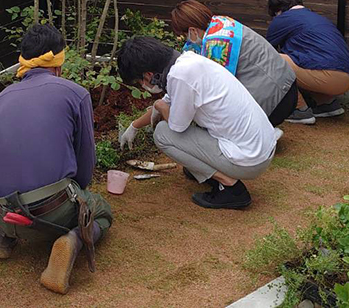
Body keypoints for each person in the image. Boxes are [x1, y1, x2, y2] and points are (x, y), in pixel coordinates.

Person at [0, 24, 113, 295]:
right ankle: (72, 240)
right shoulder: (75, 94)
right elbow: (85, 159)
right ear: (58, 61)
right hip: (47, 213)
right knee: (102, 211)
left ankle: (3, 239)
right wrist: (81, 193)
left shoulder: (0, 99)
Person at [117, 36, 279, 209]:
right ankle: (208, 169)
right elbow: (168, 101)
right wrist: (134, 126)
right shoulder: (187, 63)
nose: (142, 85)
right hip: (262, 147)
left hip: (250, 160)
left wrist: (159, 106)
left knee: (163, 134)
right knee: (172, 124)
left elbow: (176, 126)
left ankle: (231, 187)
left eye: (139, 81)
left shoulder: (180, 77)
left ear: (148, 74)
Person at [168, 0, 298, 127]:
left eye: (184, 35)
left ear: (192, 31)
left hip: (275, 99)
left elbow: (216, 89)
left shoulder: (216, 44)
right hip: (287, 86)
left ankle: (263, 130)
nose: (185, 40)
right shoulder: (221, 22)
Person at [265, 0, 349, 125]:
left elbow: (264, 52)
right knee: (305, 59)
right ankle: (326, 104)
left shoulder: (282, 19)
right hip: (348, 77)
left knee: (272, 59)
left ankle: (299, 110)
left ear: (277, 10)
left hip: (326, 76)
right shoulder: (318, 18)